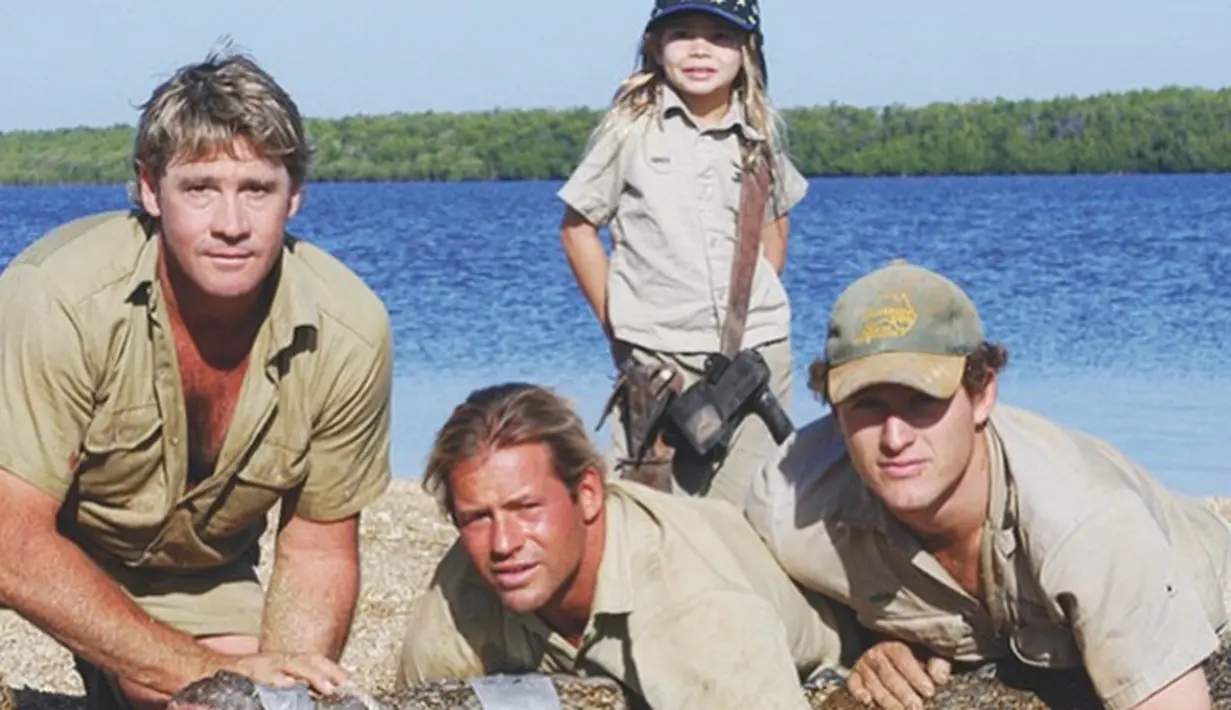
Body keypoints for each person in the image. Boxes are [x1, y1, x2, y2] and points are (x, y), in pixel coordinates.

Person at [0, 46, 393, 710]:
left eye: (257, 190)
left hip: (194, 573)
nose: (232, 225)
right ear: (151, 190)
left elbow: (318, 547)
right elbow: (12, 542)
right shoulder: (57, 298)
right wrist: (189, 668)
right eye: (200, 189)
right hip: (31, 529)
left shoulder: (348, 329)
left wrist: (279, 686)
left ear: (293, 194)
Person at [745, 259, 1231, 710]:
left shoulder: (1084, 522)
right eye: (867, 404)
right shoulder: (788, 503)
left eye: (921, 400)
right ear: (833, 410)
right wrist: (862, 646)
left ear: (981, 395)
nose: (894, 438)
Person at [397, 383, 853, 710]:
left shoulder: (696, 612)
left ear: (588, 494)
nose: (502, 543)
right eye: (476, 517)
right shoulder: (467, 583)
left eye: (526, 507)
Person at [556, 0, 809, 504]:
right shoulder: (628, 133)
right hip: (658, 362)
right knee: (657, 511)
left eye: (719, 35)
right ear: (654, 44)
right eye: (683, 32)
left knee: (751, 512)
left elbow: (775, 227)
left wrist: (749, 313)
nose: (700, 49)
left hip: (756, 357)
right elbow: (577, 229)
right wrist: (620, 325)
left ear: (746, 51)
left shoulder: (758, 139)